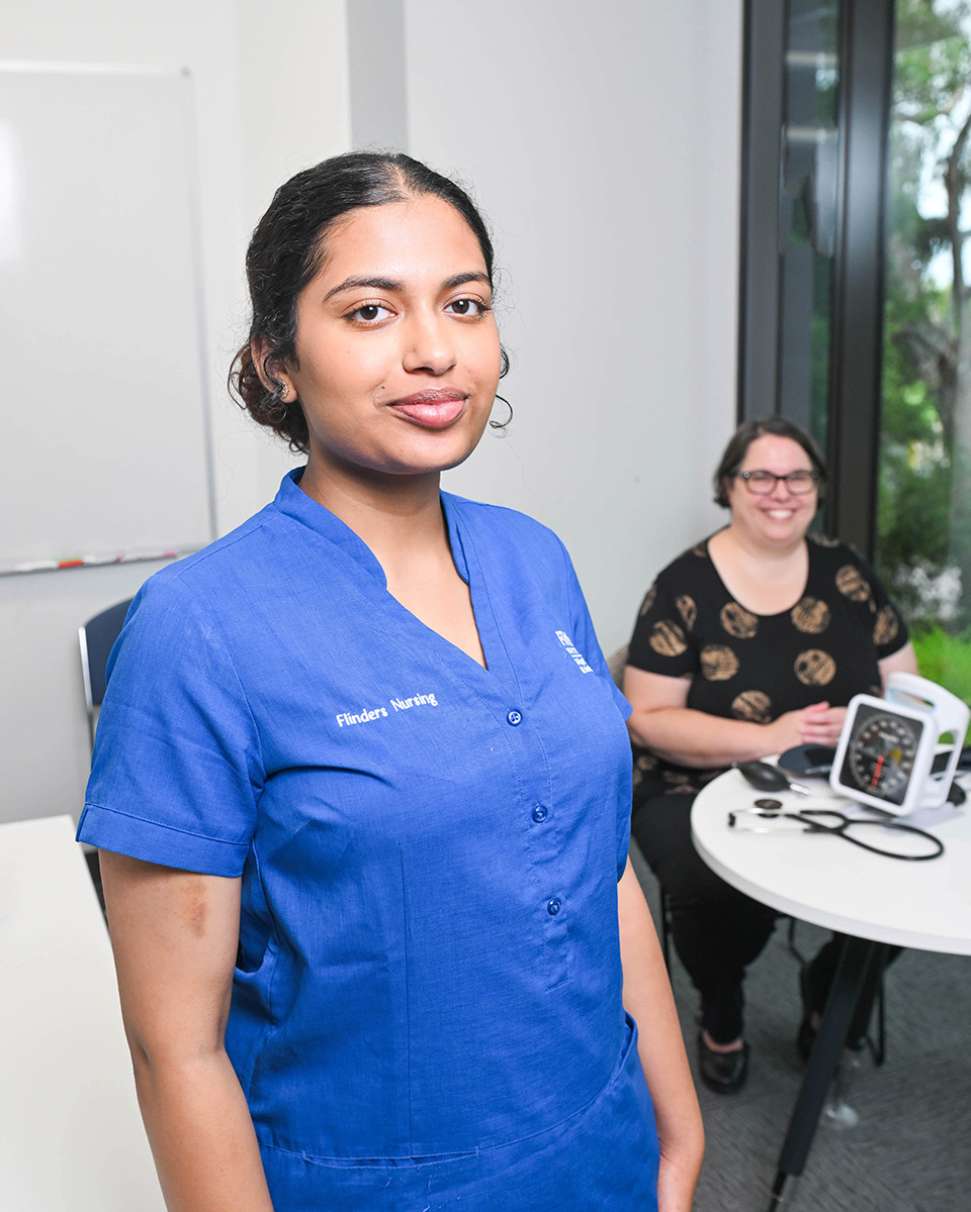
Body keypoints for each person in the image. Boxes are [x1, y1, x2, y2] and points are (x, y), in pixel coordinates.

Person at [77, 152, 703, 1210]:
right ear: (277, 360)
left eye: (464, 303)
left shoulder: (532, 558)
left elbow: (597, 871)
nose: (432, 351)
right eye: (369, 311)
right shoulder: (199, 630)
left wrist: (673, 1131)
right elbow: (173, 1052)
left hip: (601, 1146)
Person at [623, 417, 917, 1095]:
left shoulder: (845, 573)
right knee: (707, 884)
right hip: (692, 781)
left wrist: (893, 729)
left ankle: (830, 986)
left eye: (796, 476)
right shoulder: (682, 587)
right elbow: (645, 719)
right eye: (759, 475)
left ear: (815, 488)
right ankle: (720, 1005)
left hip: (836, 777)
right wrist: (771, 736)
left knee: (913, 865)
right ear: (728, 487)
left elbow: (902, 681)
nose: (779, 491)